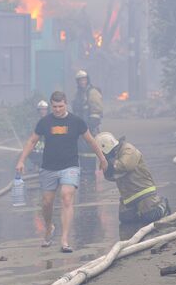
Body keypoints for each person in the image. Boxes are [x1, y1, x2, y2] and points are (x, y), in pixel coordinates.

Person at [15, 91, 108, 253]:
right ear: (51, 106)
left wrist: (102, 158)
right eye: (55, 107)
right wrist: (21, 160)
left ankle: (64, 239)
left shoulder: (76, 122)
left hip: (70, 166)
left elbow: (91, 140)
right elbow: (32, 141)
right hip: (48, 168)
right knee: (46, 203)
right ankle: (49, 227)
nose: (57, 110)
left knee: (66, 197)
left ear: (66, 104)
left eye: (60, 106)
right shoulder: (44, 122)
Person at [95, 132, 170, 224]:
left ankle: (163, 205)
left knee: (150, 216)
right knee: (126, 220)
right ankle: (139, 212)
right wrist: (107, 169)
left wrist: (110, 164)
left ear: (105, 147)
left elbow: (125, 165)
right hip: (128, 197)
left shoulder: (128, 149)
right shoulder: (113, 156)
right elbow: (112, 177)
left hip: (143, 192)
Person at [72, 70, 103, 136]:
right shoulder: (78, 94)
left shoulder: (92, 92)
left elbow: (97, 111)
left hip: (91, 126)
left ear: (87, 80)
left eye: (84, 80)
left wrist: (91, 124)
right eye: (80, 80)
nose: (82, 82)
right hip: (80, 124)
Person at [27, 100, 49, 170]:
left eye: (44, 109)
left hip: (47, 142)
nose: (42, 111)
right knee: (34, 154)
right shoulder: (35, 121)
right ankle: (35, 168)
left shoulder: (50, 120)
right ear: (38, 110)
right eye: (41, 109)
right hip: (38, 142)